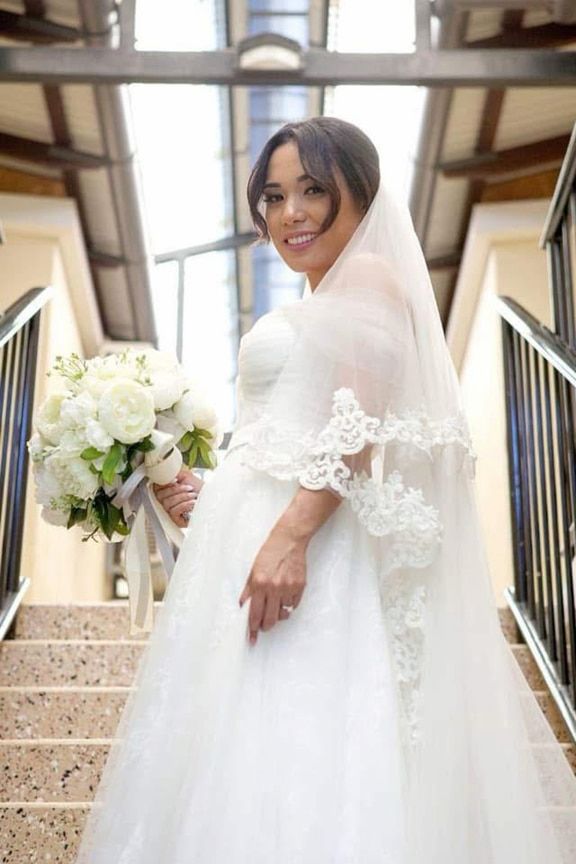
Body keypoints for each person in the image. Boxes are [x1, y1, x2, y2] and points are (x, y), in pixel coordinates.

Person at [75, 117, 576, 863]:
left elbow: (358, 424)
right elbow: (293, 441)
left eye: (313, 189)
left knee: (289, 746)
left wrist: (291, 535)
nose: (290, 213)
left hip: (307, 557)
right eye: (274, 196)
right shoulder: (317, 304)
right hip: (261, 542)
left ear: (361, 195)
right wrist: (207, 501)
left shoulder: (373, 277)